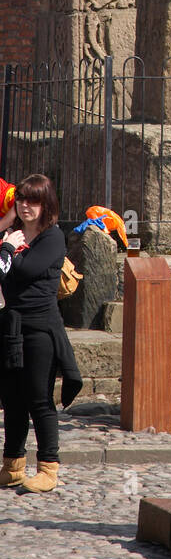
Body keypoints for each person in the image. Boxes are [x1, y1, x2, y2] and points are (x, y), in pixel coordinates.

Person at [0, 174, 82, 493]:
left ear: (46, 204)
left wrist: (8, 251)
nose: (24, 205)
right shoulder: (13, 232)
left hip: (40, 328)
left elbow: (25, 270)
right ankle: (13, 465)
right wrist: (7, 236)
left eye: (32, 200)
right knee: (12, 399)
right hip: (11, 325)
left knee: (39, 398)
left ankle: (48, 467)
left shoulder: (52, 238)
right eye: (20, 199)